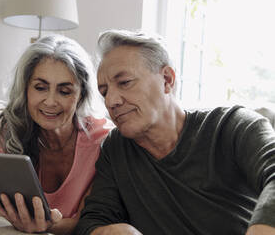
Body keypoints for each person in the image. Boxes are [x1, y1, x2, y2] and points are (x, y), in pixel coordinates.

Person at [74, 30, 275, 235]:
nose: (111, 101)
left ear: (167, 80)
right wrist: (106, 231)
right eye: (104, 91)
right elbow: (93, 219)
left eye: (124, 82)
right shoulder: (115, 148)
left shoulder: (232, 126)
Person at [0, 34, 112, 234]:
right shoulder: (11, 132)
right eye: (40, 88)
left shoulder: (103, 142)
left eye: (64, 91)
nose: (50, 101)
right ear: (25, 89)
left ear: (81, 95)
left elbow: (90, 223)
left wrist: (46, 226)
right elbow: (12, 211)